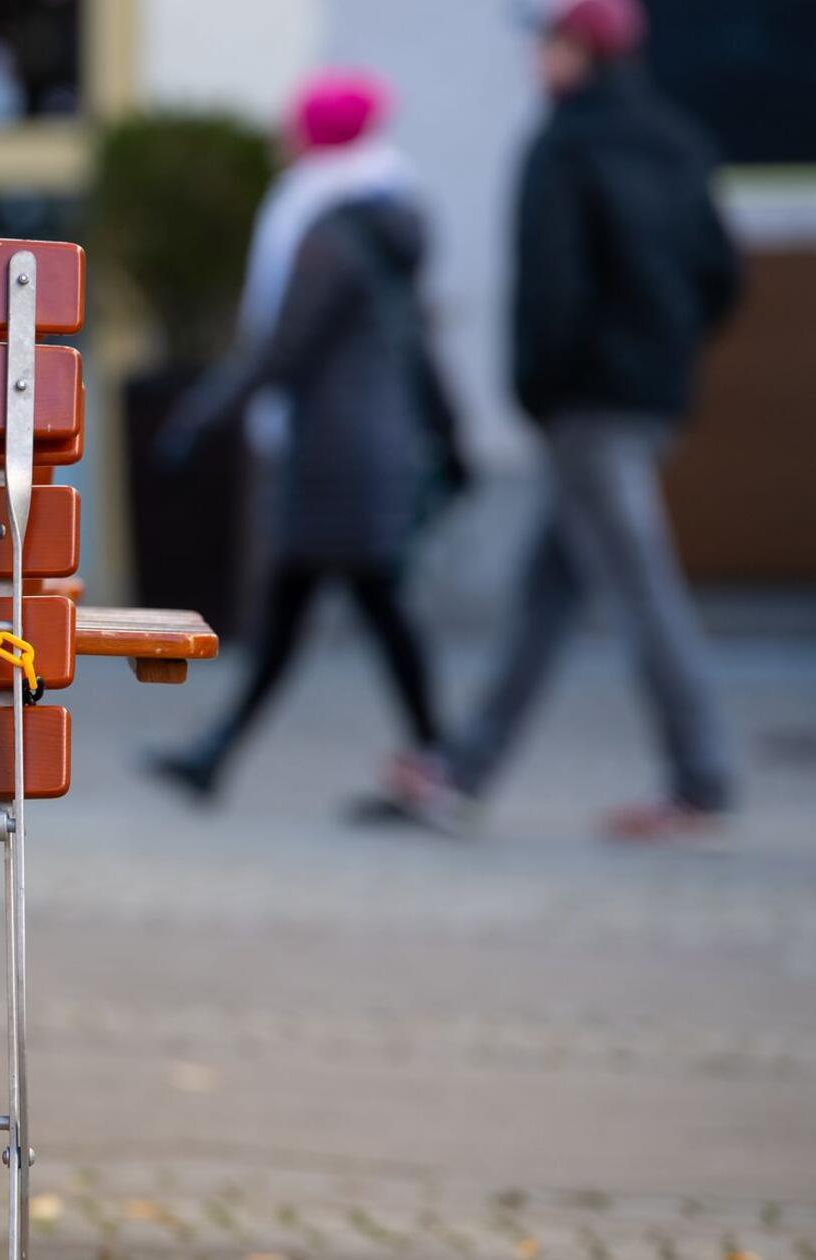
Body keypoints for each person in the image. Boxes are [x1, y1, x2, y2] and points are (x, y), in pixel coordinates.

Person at [391, 0, 741, 841]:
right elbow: (720, 276)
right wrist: (662, 355)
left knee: (640, 586)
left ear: (581, 50)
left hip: (587, 406)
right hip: (647, 399)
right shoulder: (679, 140)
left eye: (547, 41)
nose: (535, 58)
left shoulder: (564, 144)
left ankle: (702, 777)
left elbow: (547, 288)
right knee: (548, 591)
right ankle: (465, 771)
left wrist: (539, 388)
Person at [146, 70, 463, 803]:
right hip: (369, 444)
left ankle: (436, 755)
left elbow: (281, 349)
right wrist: (450, 435)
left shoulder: (326, 230)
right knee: (318, 610)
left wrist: (199, 416)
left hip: (332, 452)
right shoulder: (388, 219)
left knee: (357, 608)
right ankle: (216, 754)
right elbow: (416, 341)